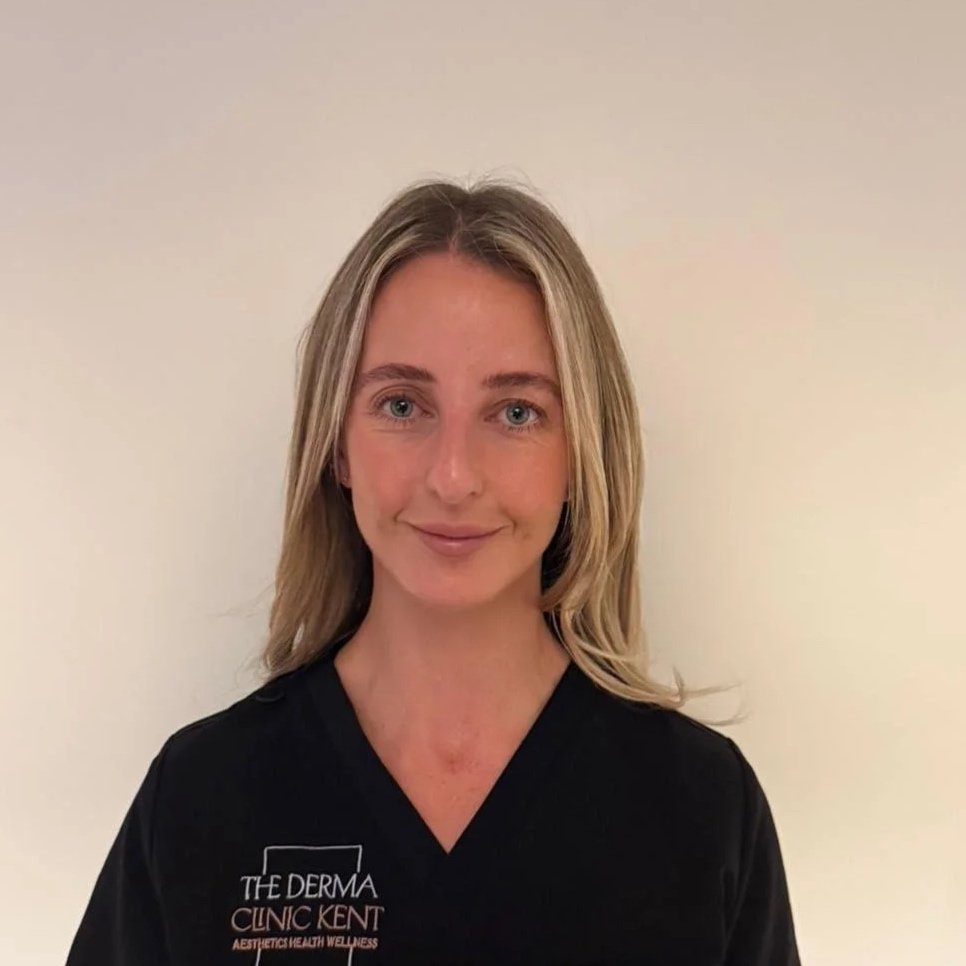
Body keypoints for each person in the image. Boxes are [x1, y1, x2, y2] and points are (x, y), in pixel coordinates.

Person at [66, 176, 801, 964]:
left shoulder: (699, 808)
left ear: (582, 451)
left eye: (516, 412)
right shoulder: (201, 798)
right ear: (338, 442)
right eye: (403, 405)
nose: (453, 477)